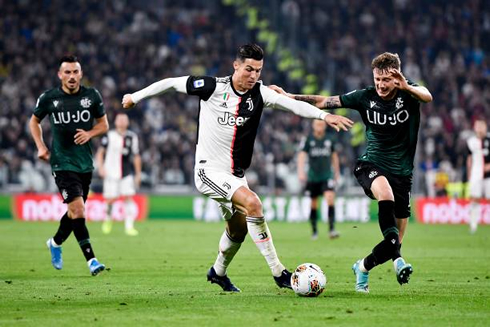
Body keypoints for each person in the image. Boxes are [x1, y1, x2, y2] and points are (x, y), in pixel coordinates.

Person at [122, 43, 353, 292]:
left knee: (238, 229)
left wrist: (324, 116)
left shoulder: (260, 94)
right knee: (254, 204)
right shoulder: (212, 87)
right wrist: (135, 97)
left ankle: (217, 272)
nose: (253, 75)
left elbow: (292, 105)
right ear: (236, 65)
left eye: (258, 71)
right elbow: (170, 83)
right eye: (249, 69)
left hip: (235, 176)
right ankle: (279, 272)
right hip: (208, 171)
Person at [271, 52, 433, 293]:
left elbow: (428, 97)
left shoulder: (409, 94)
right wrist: (289, 96)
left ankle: (363, 267)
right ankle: (397, 260)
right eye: (377, 79)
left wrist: (406, 86)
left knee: (393, 242)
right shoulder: (365, 97)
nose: (380, 84)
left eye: (386, 80)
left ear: (397, 77)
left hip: (403, 174)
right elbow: (325, 101)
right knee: (385, 195)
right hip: (372, 165)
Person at [29, 55, 109, 276]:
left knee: (75, 212)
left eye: (75, 72)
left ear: (81, 74)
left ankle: (55, 243)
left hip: (85, 163)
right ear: (60, 75)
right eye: (67, 72)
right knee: (78, 209)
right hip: (61, 162)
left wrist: (90, 133)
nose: (72, 76)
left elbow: (103, 124)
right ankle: (91, 260)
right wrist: (41, 146)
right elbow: (34, 121)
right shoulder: (49, 98)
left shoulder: (92, 96)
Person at [96, 112, 142, 236]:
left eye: (124, 119)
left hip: (126, 173)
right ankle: (108, 220)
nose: (121, 122)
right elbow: (100, 152)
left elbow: (136, 156)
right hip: (110, 173)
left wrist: (138, 174)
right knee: (110, 200)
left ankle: (129, 226)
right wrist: (100, 167)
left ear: (127, 122)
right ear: (115, 122)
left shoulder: (132, 137)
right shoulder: (109, 135)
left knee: (128, 197)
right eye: (119, 119)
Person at [298, 120, 340, 240]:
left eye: (321, 125)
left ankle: (331, 229)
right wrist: (301, 172)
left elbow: (334, 156)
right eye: (317, 125)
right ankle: (314, 231)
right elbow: (301, 155)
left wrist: (336, 172)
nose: (319, 127)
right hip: (313, 176)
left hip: (327, 175)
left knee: (330, 198)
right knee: (314, 203)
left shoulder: (330, 139)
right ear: (313, 126)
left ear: (325, 125)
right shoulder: (308, 139)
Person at [466, 118, 490, 234]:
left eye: (482, 126)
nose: (479, 128)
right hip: (476, 174)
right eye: (477, 126)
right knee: (475, 199)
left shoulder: (489, 139)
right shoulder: (471, 142)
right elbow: (469, 158)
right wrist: (469, 174)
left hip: (489, 175)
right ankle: (473, 225)